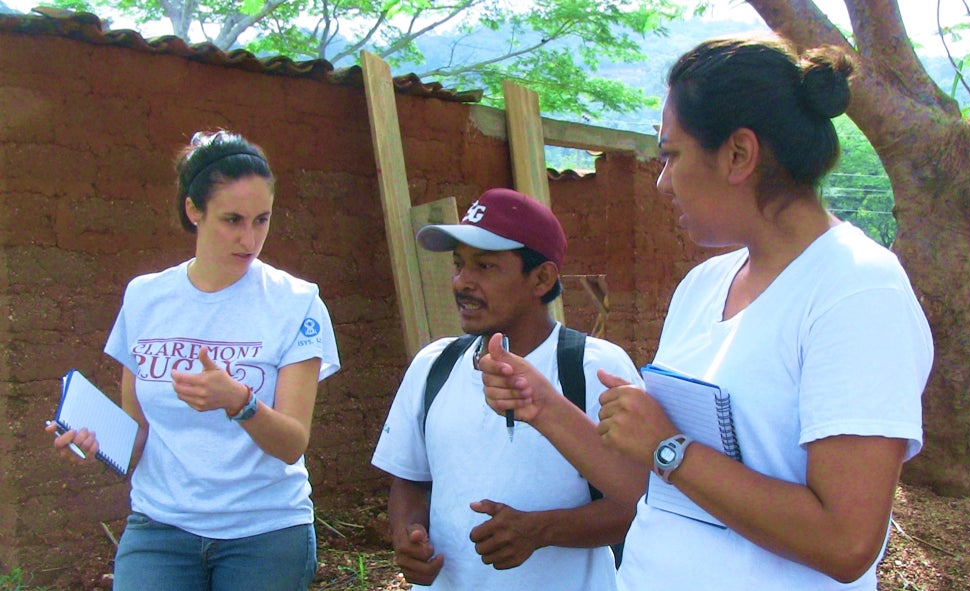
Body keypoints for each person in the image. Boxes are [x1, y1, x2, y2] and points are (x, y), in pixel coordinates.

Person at [479, 35, 934, 591]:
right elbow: (656, 489)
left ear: (739, 154)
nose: (662, 180)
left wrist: (671, 449)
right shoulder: (704, 286)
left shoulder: (856, 290)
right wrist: (543, 405)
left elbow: (846, 543)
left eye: (671, 154)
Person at [46, 130, 341, 591]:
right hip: (160, 528)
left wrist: (239, 401)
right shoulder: (145, 298)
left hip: (264, 532)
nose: (250, 239)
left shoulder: (297, 303)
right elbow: (137, 437)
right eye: (232, 220)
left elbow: (291, 444)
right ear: (193, 211)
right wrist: (94, 443)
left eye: (262, 220)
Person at [371, 187, 643, 590]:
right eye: (458, 264)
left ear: (541, 278)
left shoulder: (594, 369)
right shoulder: (434, 367)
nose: (462, 282)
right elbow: (412, 480)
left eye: (485, 267)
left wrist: (543, 529)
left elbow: (643, 505)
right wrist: (408, 534)